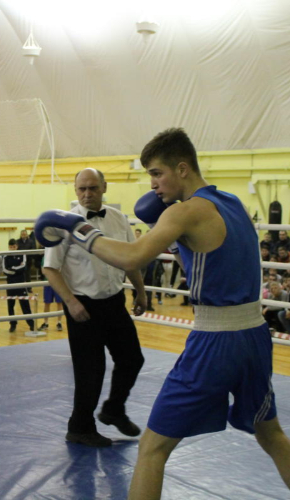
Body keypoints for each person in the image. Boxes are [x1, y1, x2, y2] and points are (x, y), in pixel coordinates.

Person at [35, 128, 290, 498]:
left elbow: (131, 256)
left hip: (215, 343)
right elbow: (214, 254)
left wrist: (79, 229)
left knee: (152, 449)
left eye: (157, 173)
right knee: (270, 433)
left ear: (182, 168)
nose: (152, 184)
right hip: (254, 337)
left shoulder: (185, 212)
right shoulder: (231, 203)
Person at [42, 168, 147, 448]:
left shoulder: (117, 218)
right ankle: (79, 427)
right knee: (90, 370)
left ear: (104, 188)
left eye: (93, 188)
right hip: (82, 304)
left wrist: (140, 290)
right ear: (75, 192)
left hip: (114, 300)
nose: (87, 194)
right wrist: (71, 302)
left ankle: (114, 409)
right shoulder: (64, 223)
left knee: (132, 359)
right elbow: (50, 268)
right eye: (82, 189)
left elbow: (130, 258)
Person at [3, 238, 34, 333]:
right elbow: (5, 270)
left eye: (14, 246)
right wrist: (16, 270)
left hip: (20, 283)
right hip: (10, 284)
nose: (12, 248)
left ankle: (31, 324)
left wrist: (12, 269)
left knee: (25, 304)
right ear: (9, 247)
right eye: (11, 247)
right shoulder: (5, 256)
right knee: (10, 305)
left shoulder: (22, 253)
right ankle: (12, 324)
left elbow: (23, 267)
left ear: (17, 246)